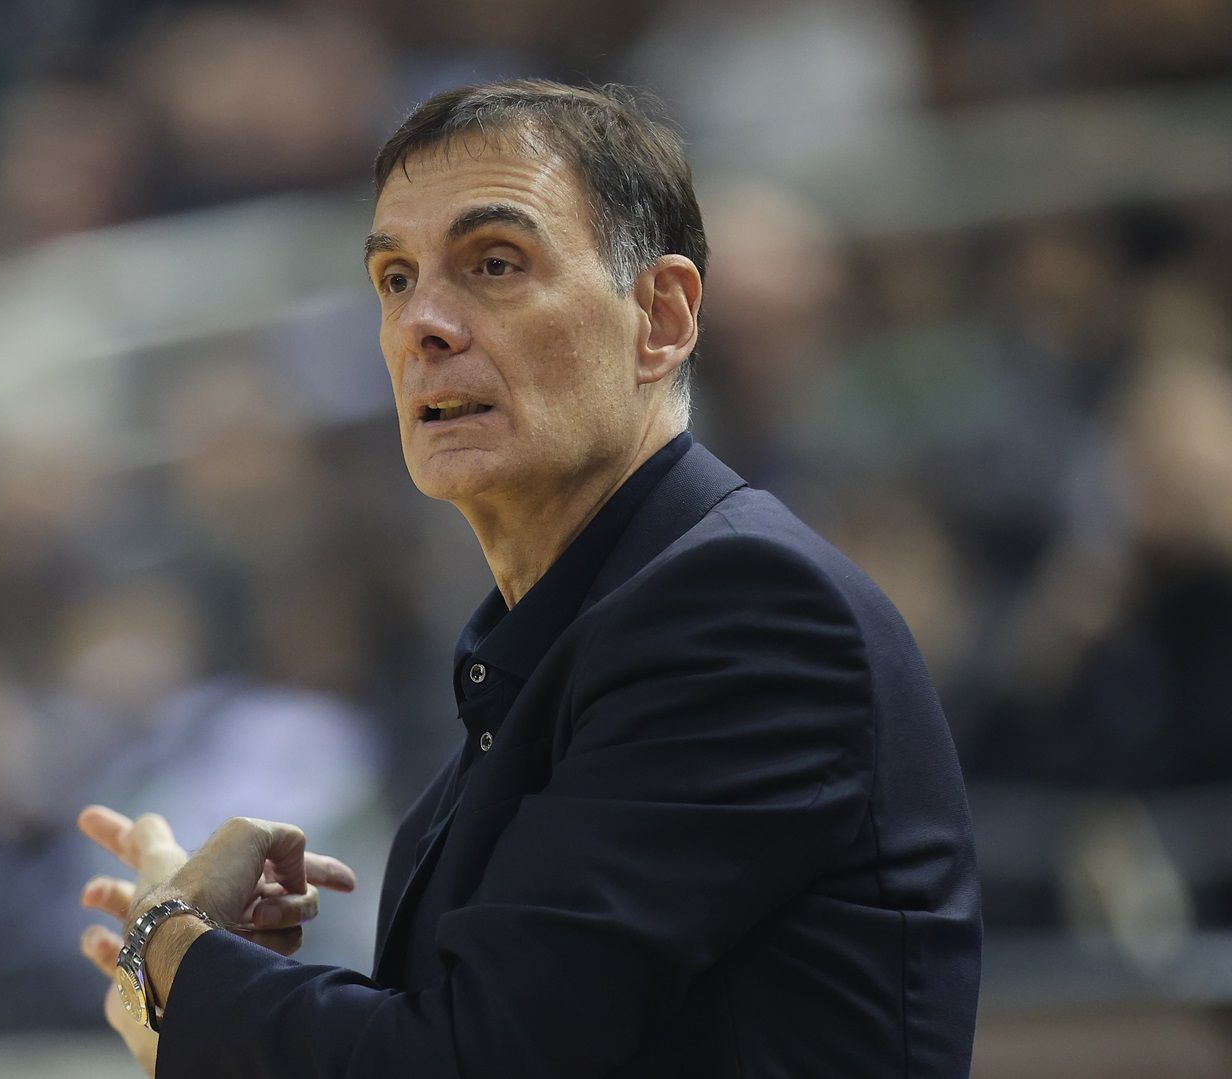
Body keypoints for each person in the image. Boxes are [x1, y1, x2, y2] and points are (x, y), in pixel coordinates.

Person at [75, 79, 981, 1078]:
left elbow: (477, 1060)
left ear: (662, 315)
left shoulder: (746, 610)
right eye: (394, 278)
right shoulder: (559, 643)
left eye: (495, 263)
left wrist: (173, 947)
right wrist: (225, 983)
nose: (422, 323)